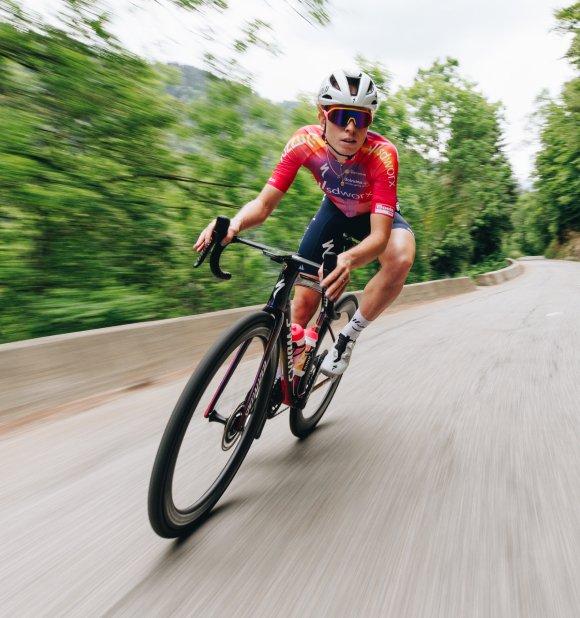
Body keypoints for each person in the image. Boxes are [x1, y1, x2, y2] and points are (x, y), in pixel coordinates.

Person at [194, 68, 416, 377]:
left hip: (373, 217)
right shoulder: (304, 142)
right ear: (322, 115)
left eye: (361, 118)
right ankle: (287, 379)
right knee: (299, 311)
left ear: (370, 122)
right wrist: (235, 223)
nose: (351, 129)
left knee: (402, 257)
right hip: (335, 213)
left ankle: (347, 337)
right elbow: (263, 204)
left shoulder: (383, 154)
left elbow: (379, 237)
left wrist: (348, 259)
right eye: (341, 116)